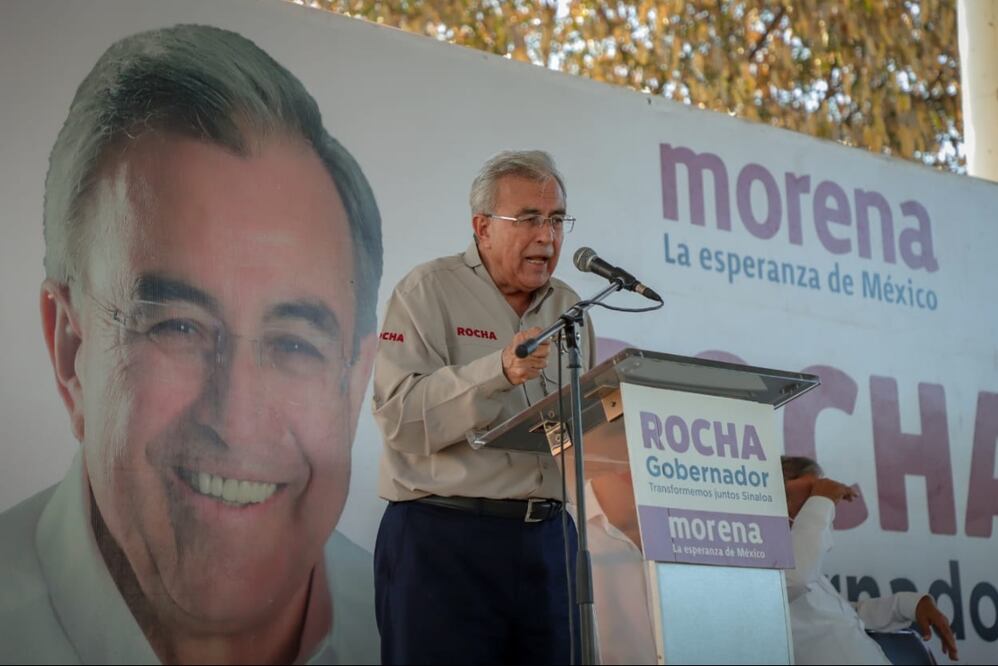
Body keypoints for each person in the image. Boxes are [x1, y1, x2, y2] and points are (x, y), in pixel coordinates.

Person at [0, 24, 383, 664]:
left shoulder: (409, 627)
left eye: (294, 345)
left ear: (355, 382)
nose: (235, 422)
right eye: (176, 326)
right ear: (71, 351)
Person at [371, 150, 595, 664]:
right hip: (443, 538)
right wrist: (498, 372)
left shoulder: (570, 308)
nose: (548, 236)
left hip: (548, 542)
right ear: (483, 227)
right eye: (531, 219)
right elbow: (400, 419)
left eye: (558, 220)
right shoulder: (428, 290)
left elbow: (565, 435)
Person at [781, 456, 959, 664]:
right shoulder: (773, 572)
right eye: (811, 492)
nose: (823, 500)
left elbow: (844, 618)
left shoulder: (804, 565)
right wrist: (820, 500)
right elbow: (796, 579)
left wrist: (911, 604)